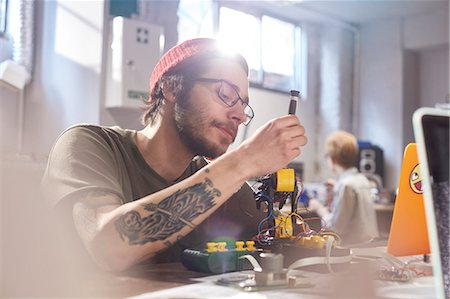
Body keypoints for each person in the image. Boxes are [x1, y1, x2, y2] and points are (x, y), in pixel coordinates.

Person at [42, 38, 308, 272]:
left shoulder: (221, 181)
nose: (239, 115)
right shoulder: (89, 144)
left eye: (243, 106)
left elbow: (279, 237)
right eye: (226, 94)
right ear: (171, 87)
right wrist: (244, 159)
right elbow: (110, 246)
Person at [308, 130, 378, 246]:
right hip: (368, 245)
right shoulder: (361, 179)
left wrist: (319, 208)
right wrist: (337, 187)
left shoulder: (345, 185)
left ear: (333, 159)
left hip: (353, 249)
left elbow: (336, 228)